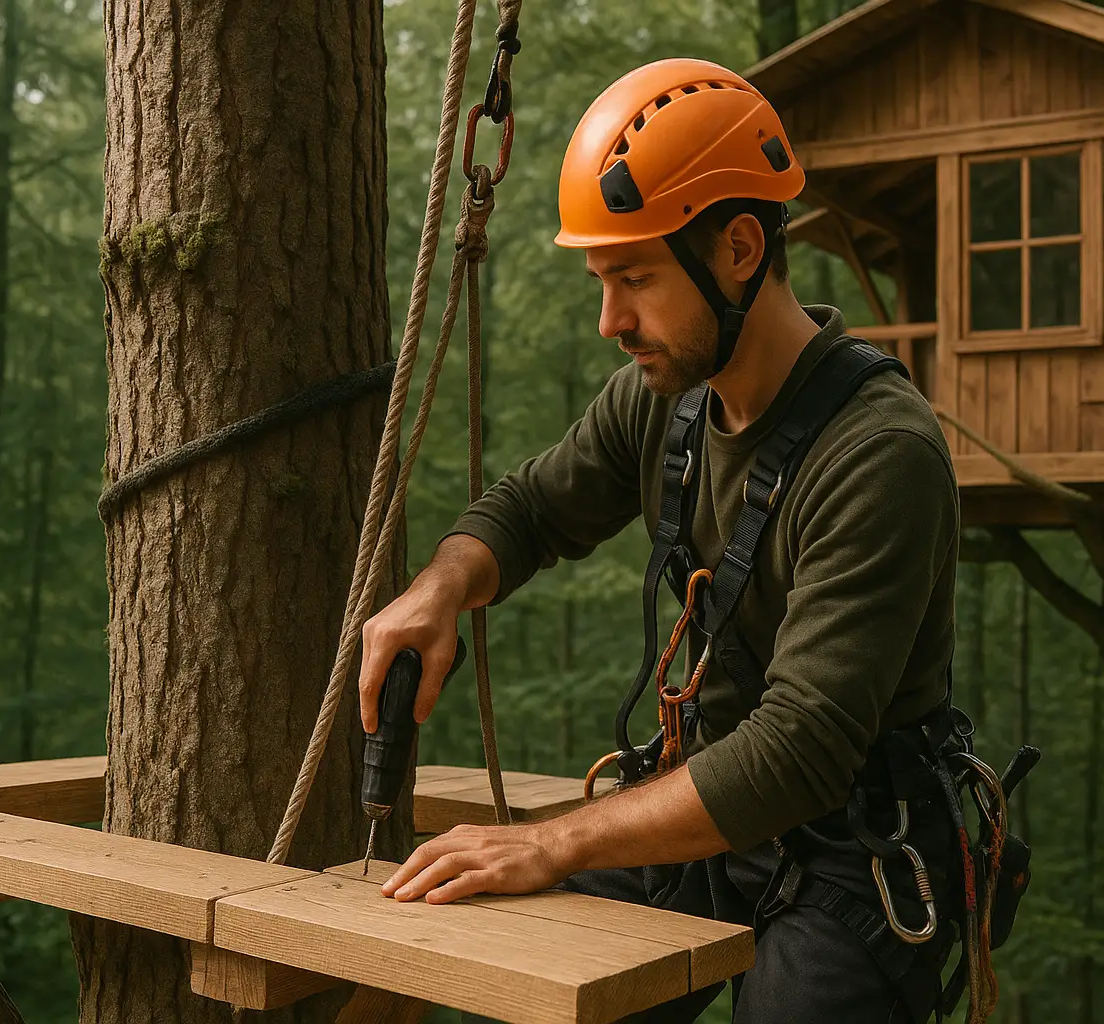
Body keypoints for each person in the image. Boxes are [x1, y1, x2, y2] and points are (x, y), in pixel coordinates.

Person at [359, 57, 967, 1022]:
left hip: (855, 847)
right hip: (702, 818)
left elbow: (799, 751)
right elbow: (527, 511)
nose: (611, 322)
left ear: (737, 250)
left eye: (634, 278)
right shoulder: (669, 399)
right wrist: (442, 584)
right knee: (539, 992)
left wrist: (555, 840)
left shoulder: (879, 454)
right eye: (604, 280)